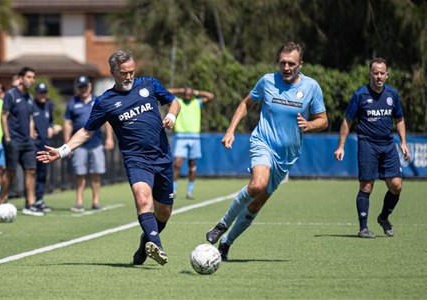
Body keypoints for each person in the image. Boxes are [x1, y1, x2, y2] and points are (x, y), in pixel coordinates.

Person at [37, 50, 181, 266]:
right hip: (136, 159)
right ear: (113, 72)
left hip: (162, 157)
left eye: (132, 72)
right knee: (143, 199)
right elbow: (87, 131)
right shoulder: (105, 101)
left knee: (164, 211)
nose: (129, 77)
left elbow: (174, 101)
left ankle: (146, 241)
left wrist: (171, 114)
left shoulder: (149, 84)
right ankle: (157, 246)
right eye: (124, 73)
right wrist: (63, 150)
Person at [205, 42, 328, 261]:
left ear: (301, 64)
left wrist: (310, 125)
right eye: (283, 63)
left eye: (291, 63)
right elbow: (245, 104)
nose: (286, 67)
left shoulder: (312, 87)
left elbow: (323, 120)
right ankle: (222, 224)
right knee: (257, 184)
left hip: (287, 156)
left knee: (256, 204)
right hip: (263, 142)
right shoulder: (267, 81)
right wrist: (230, 130)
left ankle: (226, 243)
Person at [334, 57, 410, 238]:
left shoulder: (392, 94)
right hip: (368, 144)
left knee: (396, 186)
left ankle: (383, 218)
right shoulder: (360, 95)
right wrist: (341, 146)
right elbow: (347, 121)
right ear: (370, 74)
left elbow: (399, 119)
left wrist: (404, 142)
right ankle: (363, 228)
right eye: (375, 73)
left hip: (388, 145)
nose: (378, 76)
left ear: (387, 75)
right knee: (367, 186)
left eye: (382, 73)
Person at [64, 75, 114, 212]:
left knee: (96, 173)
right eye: (80, 87)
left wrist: (109, 138)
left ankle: (96, 201)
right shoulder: (72, 103)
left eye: (85, 86)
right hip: (80, 144)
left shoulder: (98, 100)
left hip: (96, 142)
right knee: (79, 173)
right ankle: (79, 201)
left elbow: (107, 120)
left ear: (90, 86)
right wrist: (68, 144)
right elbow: (68, 123)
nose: (83, 89)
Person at [1, 67, 43, 216]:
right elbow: (4, 116)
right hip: (13, 140)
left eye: (33, 77)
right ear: (21, 78)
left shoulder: (29, 97)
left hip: (27, 142)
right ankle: (2, 200)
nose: (31, 80)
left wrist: (32, 134)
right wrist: (7, 137)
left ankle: (30, 203)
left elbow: (31, 117)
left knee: (31, 171)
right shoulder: (11, 95)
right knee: (11, 172)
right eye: (29, 77)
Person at [167, 86, 214, 199]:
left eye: (189, 94)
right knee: (177, 164)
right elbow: (166, 92)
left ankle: (190, 191)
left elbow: (210, 96)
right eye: (186, 94)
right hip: (180, 137)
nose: (187, 96)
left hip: (194, 138)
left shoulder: (197, 103)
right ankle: (173, 190)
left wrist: (196, 91)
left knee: (192, 165)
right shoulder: (178, 102)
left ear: (192, 94)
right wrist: (181, 90)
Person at [32, 82, 60, 211]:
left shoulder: (48, 106)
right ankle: (31, 200)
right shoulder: (31, 106)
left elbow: (50, 122)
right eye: (40, 93)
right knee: (32, 172)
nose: (43, 95)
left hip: (45, 145)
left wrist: (51, 128)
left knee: (43, 174)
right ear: (36, 94)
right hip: (33, 145)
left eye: (45, 93)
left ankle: (39, 200)